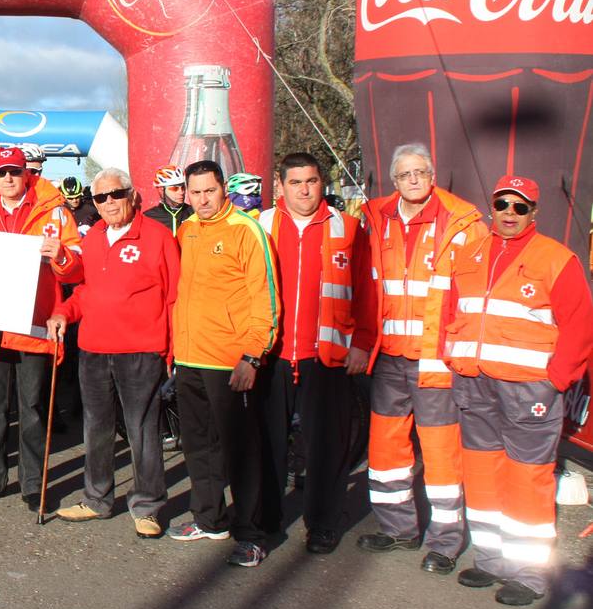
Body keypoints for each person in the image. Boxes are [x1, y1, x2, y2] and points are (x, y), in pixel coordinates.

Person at [442, 175, 593, 606]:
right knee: (483, 473)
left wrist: (557, 378)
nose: (509, 213)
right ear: (492, 206)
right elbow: (452, 310)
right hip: (475, 383)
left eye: (519, 206)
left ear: (533, 213)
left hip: (531, 389)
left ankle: (528, 573)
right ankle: (490, 560)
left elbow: (580, 325)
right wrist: (452, 359)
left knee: (528, 477)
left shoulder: (556, 259)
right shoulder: (468, 254)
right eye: (503, 203)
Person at [355, 143, 485, 574]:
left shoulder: (462, 223)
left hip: (435, 360)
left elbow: (473, 295)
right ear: (394, 181)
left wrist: (457, 353)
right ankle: (398, 529)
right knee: (387, 449)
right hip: (389, 357)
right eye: (405, 174)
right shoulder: (374, 219)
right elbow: (362, 285)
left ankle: (445, 542)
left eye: (420, 172)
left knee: (442, 452)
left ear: (433, 176)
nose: (413, 180)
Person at [255, 152, 374, 555]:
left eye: (311, 181)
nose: (304, 190)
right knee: (267, 444)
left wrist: (362, 343)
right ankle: (267, 521)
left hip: (327, 355)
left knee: (327, 444)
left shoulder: (349, 227)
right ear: (280, 186)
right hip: (271, 354)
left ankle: (323, 522)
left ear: (322, 183)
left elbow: (367, 292)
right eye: (295, 183)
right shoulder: (262, 224)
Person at [48, 168, 178, 537]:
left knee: (142, 430)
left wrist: (171, 351)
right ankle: (96, 498)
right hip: (93, 348)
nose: (108, 203)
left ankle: (148, 504)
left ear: (133, 196)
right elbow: (86, 291)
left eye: (115, 194)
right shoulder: (93, 239)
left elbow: (174, 296)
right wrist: (64, 313)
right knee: (96, 428)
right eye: (100, 197)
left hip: (140, 350)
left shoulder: (157, 236)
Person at [168, 160, 280, 569]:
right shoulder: (188, 230)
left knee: (241, 451)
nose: (202, 200)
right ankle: (209, 518)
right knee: (198, 445)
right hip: (190, 357)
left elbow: (264, 296)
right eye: (194, 193)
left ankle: (251, 534)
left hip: (230, 360)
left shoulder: (246, 230)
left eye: (209, 191)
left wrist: (253, 354)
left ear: (223, 190)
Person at [0, 145, 83, 509]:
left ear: (27, 173)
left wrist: (60, 255)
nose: (9, 178)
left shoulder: (56, 212)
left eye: (15, 171)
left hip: (34, 323)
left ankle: (33, 483)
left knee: (31, 408)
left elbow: (77, 269)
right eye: (2, 173)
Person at [144, 164, 190, 234]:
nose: (181, 192)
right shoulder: (148, 217)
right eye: (175, 188)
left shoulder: (193, 212)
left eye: (183, 187)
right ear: (161, 190)